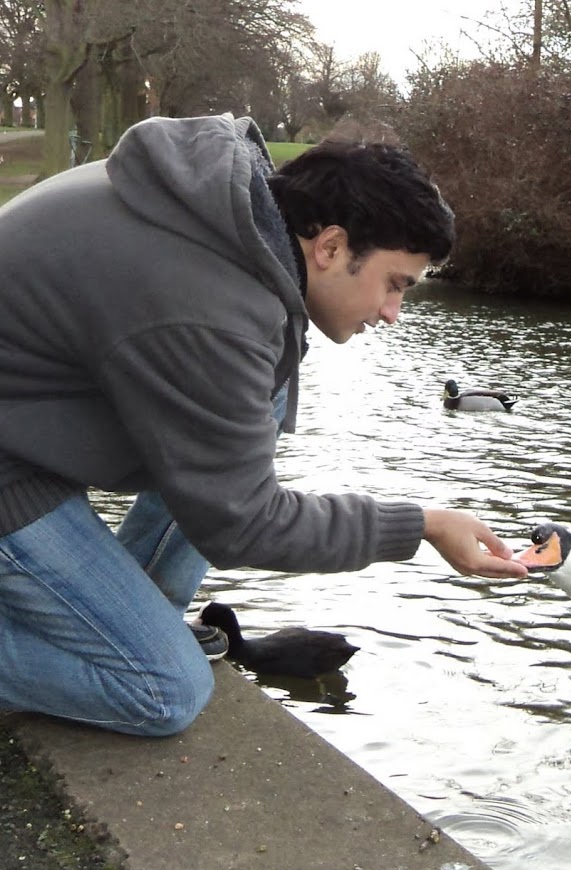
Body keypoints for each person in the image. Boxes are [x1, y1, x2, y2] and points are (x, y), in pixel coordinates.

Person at [0, 113, 528, 737]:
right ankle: (130, 643)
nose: (393, 313)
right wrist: (423, 526)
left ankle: (143, 612)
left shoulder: (222, 220)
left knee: (264, 397)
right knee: (164, 690)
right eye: (394, 284)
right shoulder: (208, 305)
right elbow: (244, 523)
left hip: (22, 415)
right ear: (329, 247)